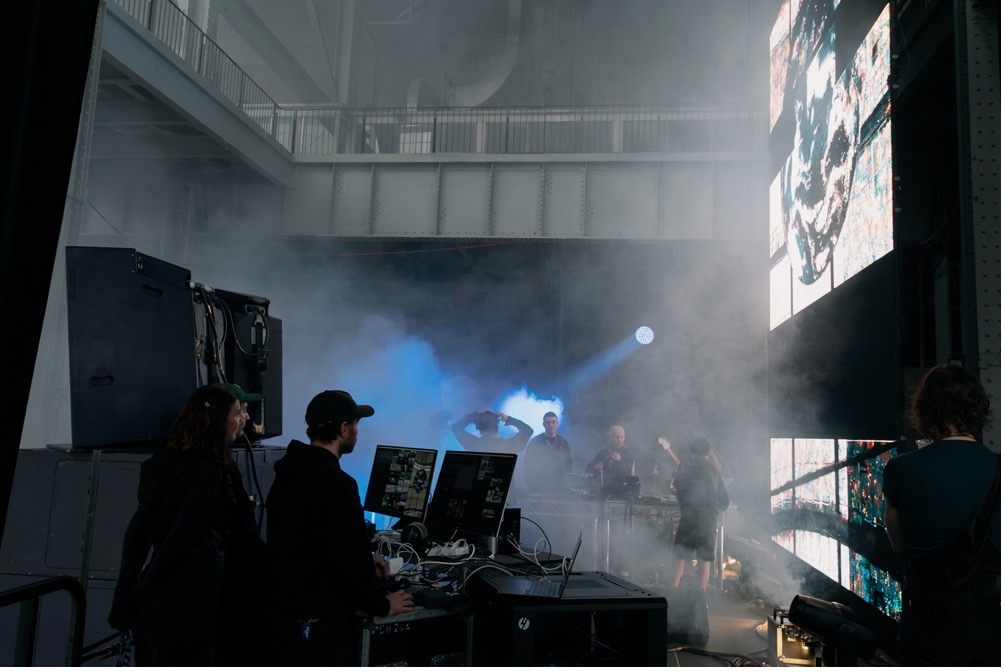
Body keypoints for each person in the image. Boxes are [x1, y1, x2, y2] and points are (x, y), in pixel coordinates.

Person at [108, 383, 261, 666]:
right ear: (218, 420)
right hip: (190, 602)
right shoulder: (210, 471)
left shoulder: (159, 464)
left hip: (156, 604)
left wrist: (129, 593)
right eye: (237, 413)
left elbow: (138, 531)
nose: (243, 419)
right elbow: (181, 538)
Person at [265, 389, 413, 666]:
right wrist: (383, 604)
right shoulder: (336, 483)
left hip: (284, 620)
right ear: (344, 429)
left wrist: (367, 562)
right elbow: (347, 564)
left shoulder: (289, 471)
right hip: (318, 629)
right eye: (356, 424)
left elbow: (314, 545)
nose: (357, 431)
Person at [882, 364, 999, 667]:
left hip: (927, 626)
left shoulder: (900, 470)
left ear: (926, 410)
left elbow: (898, 546)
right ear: (977, 409)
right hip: (990, 627)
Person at [670, 437, 730, 591]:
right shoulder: (713, 469)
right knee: (704, 560)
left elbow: (677, 487)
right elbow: (725, 501)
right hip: (708, 519)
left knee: (681, 557)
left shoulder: (686, 463)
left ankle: (673, 594)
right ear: (708, 452)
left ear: (692, 449)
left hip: (690, 515)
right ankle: (700, 601)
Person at [522, 411, 573, 493]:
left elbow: (569, 466)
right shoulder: (535, 442)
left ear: (557, 423)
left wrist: (566, 486)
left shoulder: (563, 443)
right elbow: (527, 468)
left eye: (553, 422)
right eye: (548, 422)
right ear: (543, 424)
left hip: (559, 488)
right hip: (538, 487)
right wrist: (533, 488)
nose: (551, 425)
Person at [451, 408, 533, 454]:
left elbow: (456, 427)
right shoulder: (509, 445)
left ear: (479, 430)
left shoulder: (473, 444)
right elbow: (528, 430)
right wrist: (508, 419)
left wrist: (476, 415)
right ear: (497, 427)